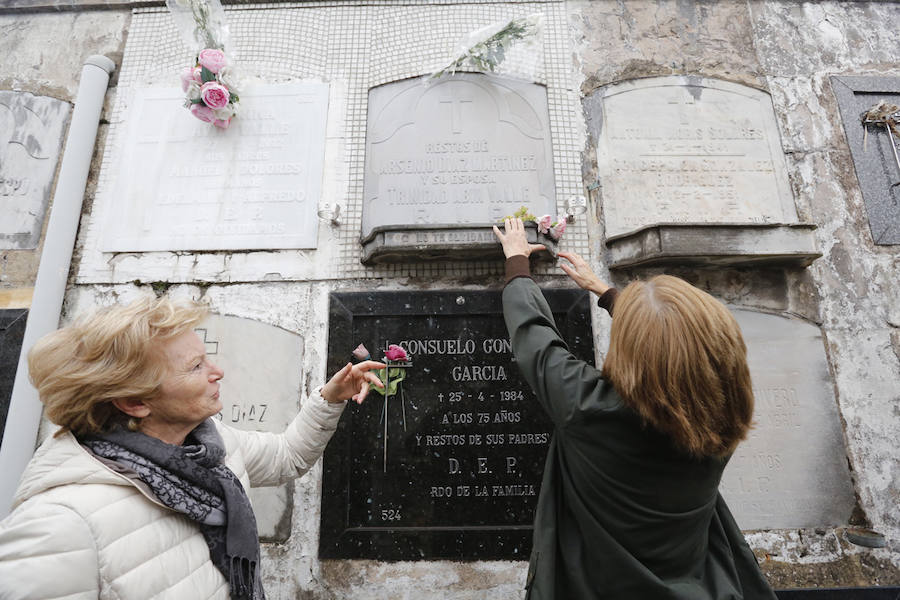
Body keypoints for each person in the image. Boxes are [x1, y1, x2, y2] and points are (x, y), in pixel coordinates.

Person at [0, 296, 384, 600]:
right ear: (135, 402)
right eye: (195, 366)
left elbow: (288, 456)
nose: (217, 372)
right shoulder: (60, 528)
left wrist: (331, 398)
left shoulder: (209, 446)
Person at [493, 218, 777, 600]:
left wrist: (516, 262)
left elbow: (536, 340)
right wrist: (607, 293)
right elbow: (678, 352)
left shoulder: (587, 408)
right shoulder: (723, 420)